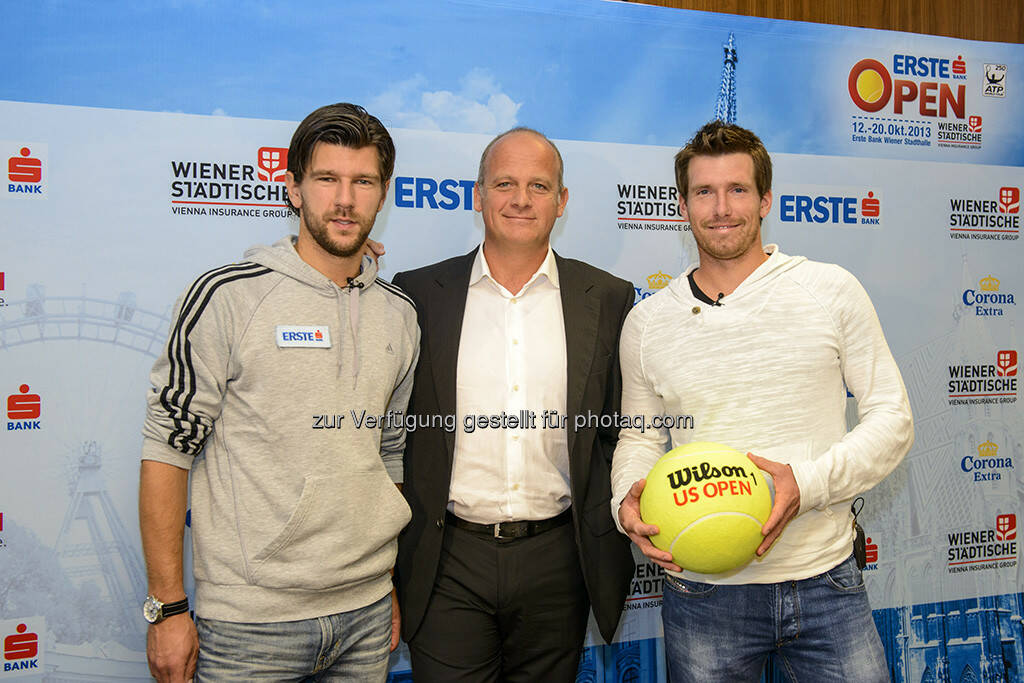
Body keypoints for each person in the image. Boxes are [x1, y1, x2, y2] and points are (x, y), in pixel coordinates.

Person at [612, 120, 913, 682]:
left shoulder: (829, 290)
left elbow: (892, 418)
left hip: (826, 580)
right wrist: (623, 503)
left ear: (766, 199)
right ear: (681, 205)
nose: (722, 207)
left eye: (738, 190)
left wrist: (808, 484)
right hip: (702, 594)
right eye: (704, 191)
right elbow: (641, 438)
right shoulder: (647, 322)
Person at [138, 102, 419, 683]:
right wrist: (167, 607)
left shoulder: (400, 315)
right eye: (326, 179)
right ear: (292, 189)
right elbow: (167, 448)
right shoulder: (227, 297)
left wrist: (385, 583)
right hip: (249, 625)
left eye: (362, 181)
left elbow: (388, 454)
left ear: (383, 193)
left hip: (366, 616)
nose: (345, 199)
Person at [392, 127, 636, 681]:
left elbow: (617, 432)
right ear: (477, 194)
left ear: (562, 200)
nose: (521, 199)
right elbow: (395, 432)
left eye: (538, 185)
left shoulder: (610, 297)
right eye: (504, 183)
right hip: (446, 558)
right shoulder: (416, 294)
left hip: (560, 558)